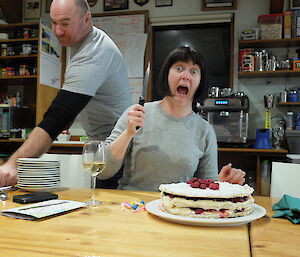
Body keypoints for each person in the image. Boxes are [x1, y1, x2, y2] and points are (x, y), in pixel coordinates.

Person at [0, 0, 132, 187]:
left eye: (65, 23)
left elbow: (59, 115)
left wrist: (13, 164)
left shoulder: (93, 53)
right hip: (107, 147)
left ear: (87, 19)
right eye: (54, 22)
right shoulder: (82, 42)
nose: (58, 31)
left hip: (118, 151)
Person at [98, 46, 245, 191]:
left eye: (193, 71)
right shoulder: (136, 114)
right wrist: (128, 133)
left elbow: (206, 187)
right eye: (179, 68)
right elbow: (103, 172)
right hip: (133, 208)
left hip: (177, 210)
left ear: (200, 82)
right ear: (166, 75)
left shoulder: (205, 131)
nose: (185, 76)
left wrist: (222, 184)